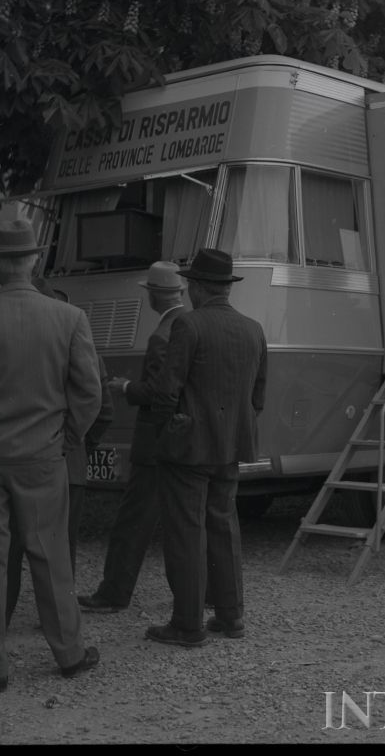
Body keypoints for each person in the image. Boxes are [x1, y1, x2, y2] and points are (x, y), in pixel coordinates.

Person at [0, 219, 102, 691]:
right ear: (34, 261)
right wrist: (67, 437)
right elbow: (89, 393)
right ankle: (69, 655)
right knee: (50, 554)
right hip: (42, 454)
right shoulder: (68, 318)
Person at [144, 248, 267, 648]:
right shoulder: (253, 329)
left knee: (187, 532)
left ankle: (187, 623)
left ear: (196, 287)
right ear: (226, 287)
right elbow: (259, 396)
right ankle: (231, 617)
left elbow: (167, 390)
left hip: (189, 446)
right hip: (231, 445)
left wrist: (166, 427)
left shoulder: (189, 326)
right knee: (223, 525)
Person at [78, 261, 187, 613]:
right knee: (183, 522)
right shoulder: (189, 325)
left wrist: (126, 387)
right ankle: (198, 595)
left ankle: (113, 592)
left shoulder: (161, 334)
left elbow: (157, 392)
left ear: (154, 295)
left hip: (153, 442)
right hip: (182, 440)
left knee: (131, 523)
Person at [5, 278, 114, 628]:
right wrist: (76, 442)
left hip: (16, 458)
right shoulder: (85, 346)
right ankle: (58, 621)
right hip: (69, 463)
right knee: (60, 549)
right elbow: (104, 409)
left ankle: (0, 616)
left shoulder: (12, 345)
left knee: (9, 547)